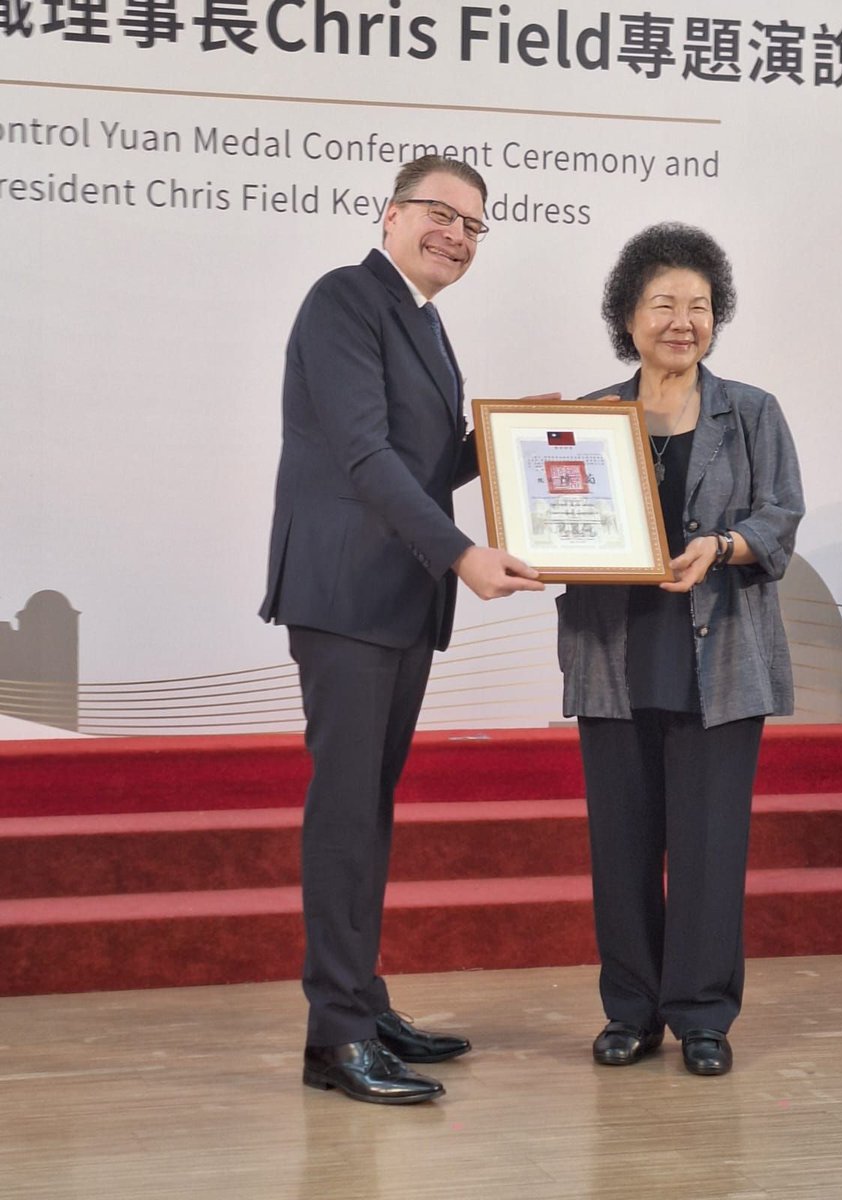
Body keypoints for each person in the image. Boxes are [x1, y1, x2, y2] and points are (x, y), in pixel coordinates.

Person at [260, 155, 544, 1105]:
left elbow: (420, 462)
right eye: (439, 213)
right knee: (346, 812)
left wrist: (505, 438)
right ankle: (335, 1038)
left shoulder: (424, 321)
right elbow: (364, 454)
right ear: (389, 214)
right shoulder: (345, 299)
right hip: (347, 593)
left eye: (473, 225)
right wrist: (462, 553)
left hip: (396, 597)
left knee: (368, 808)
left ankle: (362, 1001)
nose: (455, 235)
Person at [556, 222, 804, 1076]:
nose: (682, 321)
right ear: (627, 316)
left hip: (721, 656)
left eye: (699, 306)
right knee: (621, 848)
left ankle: (702, 1015)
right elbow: (555, 520)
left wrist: (724, 547)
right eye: (663, 303)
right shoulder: (588, 417)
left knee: (709, 848)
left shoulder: (753, 411)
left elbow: (780, 517)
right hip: (612, 656)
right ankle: (631, 1011)